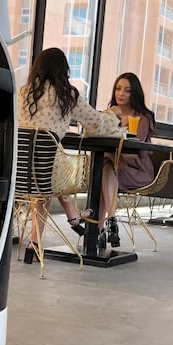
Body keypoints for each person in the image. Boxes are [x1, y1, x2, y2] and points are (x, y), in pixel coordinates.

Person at [18, 48, 124, 264]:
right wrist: (113, 114)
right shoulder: (67, 95)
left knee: (43, 178)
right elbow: (97, 124)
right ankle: (74, 216)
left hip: (19, 170)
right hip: (51, 170)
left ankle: (36, 243)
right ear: (63, 70)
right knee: (58, 168)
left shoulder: (23, 92)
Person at [97, 72, 156, 249]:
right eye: (118, 88)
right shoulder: (110, 114)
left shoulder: (142, 118)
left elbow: (133, 149)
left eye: (127, 90)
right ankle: (110, 222)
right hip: (113, 167)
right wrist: (107, 116)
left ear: (134, 93)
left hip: (136, 169)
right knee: (105, 171)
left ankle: (99, 230)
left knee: (104, 175)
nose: (120, 93)